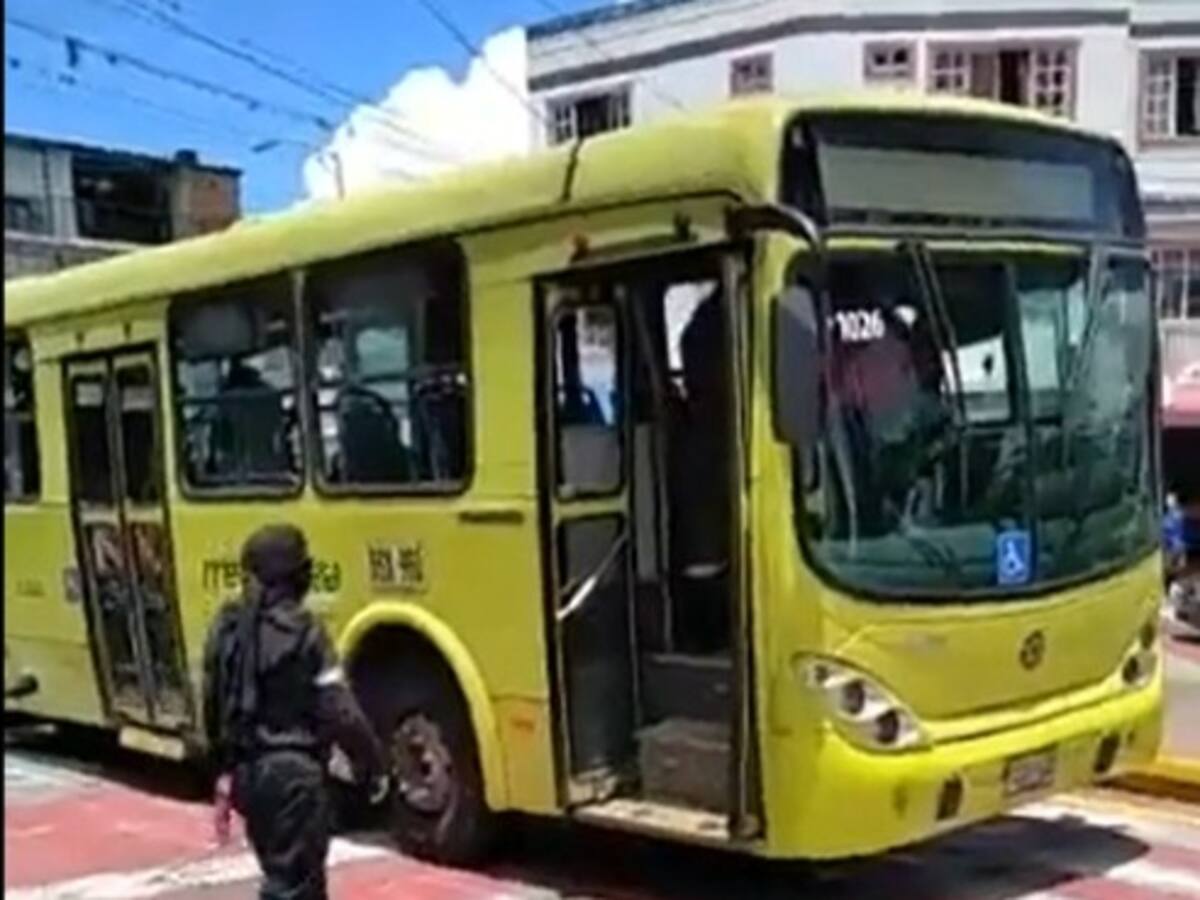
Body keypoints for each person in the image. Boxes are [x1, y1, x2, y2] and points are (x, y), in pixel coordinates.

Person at [203, 524, 389, 900]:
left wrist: (224, 774)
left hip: (249, 779)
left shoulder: (227, 628)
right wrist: (373, 765)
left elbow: (213, 706)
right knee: (294, 888)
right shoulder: (306, 632)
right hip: (296, 782)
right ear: (297, 576)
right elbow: (340, 710)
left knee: (283, 875)